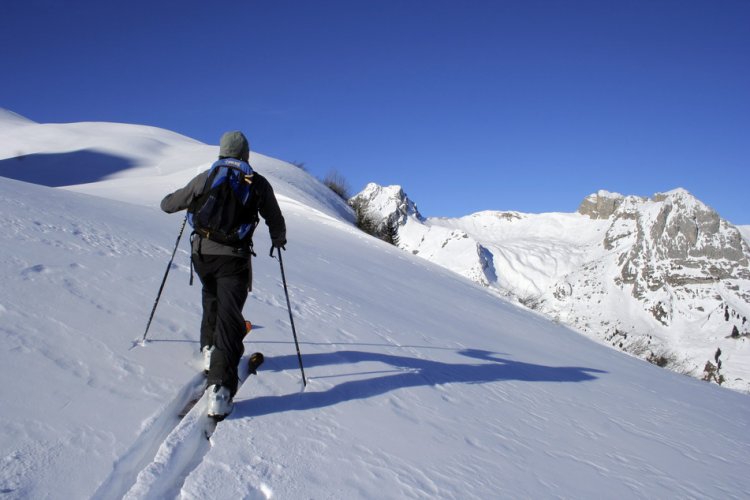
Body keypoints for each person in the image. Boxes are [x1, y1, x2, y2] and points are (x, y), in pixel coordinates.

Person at [160, 131, 286, 418]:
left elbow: (170, 204)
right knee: (230, 321)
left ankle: (208, 350)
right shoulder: (257, 182)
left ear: (222, 152)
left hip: (202, 255)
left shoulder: (208, 176)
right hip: (234, 259)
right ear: (245, 154)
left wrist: (170, 199)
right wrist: (278, 239)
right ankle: (220, 390)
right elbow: (274, 217)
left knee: (211, 297)